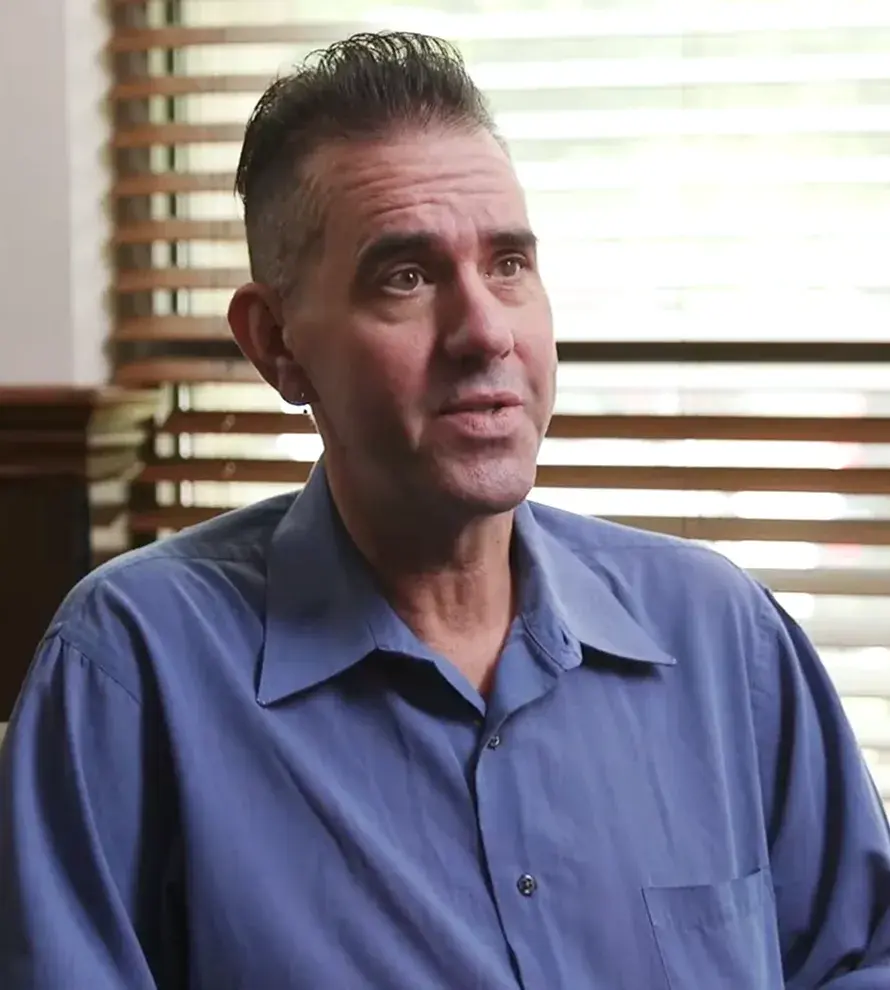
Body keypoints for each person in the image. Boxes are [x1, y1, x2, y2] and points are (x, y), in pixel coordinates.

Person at [1, 30, 889, 990]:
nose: (485, 332)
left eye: (508, 264)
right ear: (277, 345)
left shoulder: (723, 639)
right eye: (407, 277)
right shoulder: (132, 670)